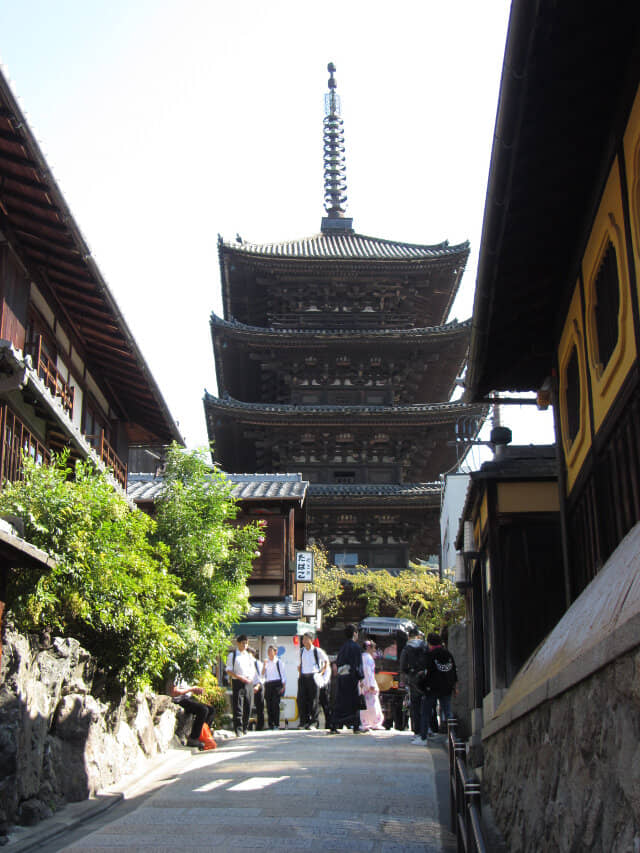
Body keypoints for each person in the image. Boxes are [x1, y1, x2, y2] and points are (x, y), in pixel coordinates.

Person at [421, 632, 458, 741]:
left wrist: (423, 685)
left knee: (426, 712)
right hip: (447, 687)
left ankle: (423, 737)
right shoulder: (448, 653)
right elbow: (453, 671)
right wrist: (455, 686)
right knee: (448, 711)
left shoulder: (430, 654)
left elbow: (427, 672)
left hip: (432, 687)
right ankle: (452, 737)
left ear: (429, 643)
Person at [328, 624, 364, 734]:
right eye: (357, 632)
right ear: (354, 633)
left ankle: (334, 724)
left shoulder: (343, 647)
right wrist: (360, 677)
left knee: (340, 702)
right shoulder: (356, 647)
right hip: (351, 678)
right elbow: (357, 664)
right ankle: (356, 726)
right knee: (353, 702)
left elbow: (339, 662)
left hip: (342, 677)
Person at [165, 673, 216, 748]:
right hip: (179, 699)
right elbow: (174, 692)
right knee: (203, 710)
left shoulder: (186, 674)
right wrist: (191, 689)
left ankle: (203, 734)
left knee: (211, 710)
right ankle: (193, 738)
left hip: (187, 698)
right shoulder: (176, 675)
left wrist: (196, 691)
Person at [399, 627, 428, 743]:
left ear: (409, 636)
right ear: (418, 636)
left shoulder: (407, 648)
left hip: (413, 678)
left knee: (415, 705)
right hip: (425, 677)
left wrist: (405, 676)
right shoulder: (424, 646)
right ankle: (428, 729)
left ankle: (417, 731)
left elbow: (402, 665)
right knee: (426, 704)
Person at [226, 634, 256, 737]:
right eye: (243, 643)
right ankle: (238, 728)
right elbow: (228, 670)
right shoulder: (233, 655)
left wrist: (250, 678)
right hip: (237, 681)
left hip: (248, 682)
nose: (245, 645)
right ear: (238, 643)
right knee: (238, 705)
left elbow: (252, 669)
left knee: (248, 704)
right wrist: (238, 677)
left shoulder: (249, 656)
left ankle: (245, 727)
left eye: (246, 643)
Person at [297, 633, 329, 729]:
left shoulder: (317, 651)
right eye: (303, 639)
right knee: (302, 700)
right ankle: (303, 722)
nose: (304, 641)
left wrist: (321, 673)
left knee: (313, 700)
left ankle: (314, 722)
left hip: (314, 676)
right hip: (303, 677)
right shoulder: (301, 651)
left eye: (306, 639)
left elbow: (326, 662)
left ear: (311, 640)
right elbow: (298, 664)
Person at [359, 640, 384, 731]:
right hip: (369, 683)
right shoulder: (368, 658)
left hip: (362, 683)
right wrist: (372, 684)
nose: (374, 650)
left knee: (364, 705)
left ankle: (365, 723)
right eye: (373, 648)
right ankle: (375, 723)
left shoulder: (362, 656)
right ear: (369, 648)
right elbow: (368, 672)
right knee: (373, 705)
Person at [263, 645, 286, 729]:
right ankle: (270, 724)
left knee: (275, 705)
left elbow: (283, 675)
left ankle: (276, 724)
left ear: (275, 652)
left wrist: (283, 686)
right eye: (268, 651)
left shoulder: (279, 662)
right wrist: (264, 665)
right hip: (268, 684)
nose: (269, 653)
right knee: (269, 705)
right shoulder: (266, 662)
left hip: (277, 684)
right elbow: (263, 674)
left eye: (271, 651)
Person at [250, 647, 265, 731]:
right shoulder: (245, 664)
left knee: (260, 707)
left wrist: (258, 686)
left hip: (258, 685)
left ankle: (260, 726)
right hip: (249, 685)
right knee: (247, 706)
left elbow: (262, 677)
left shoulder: (258, 663)